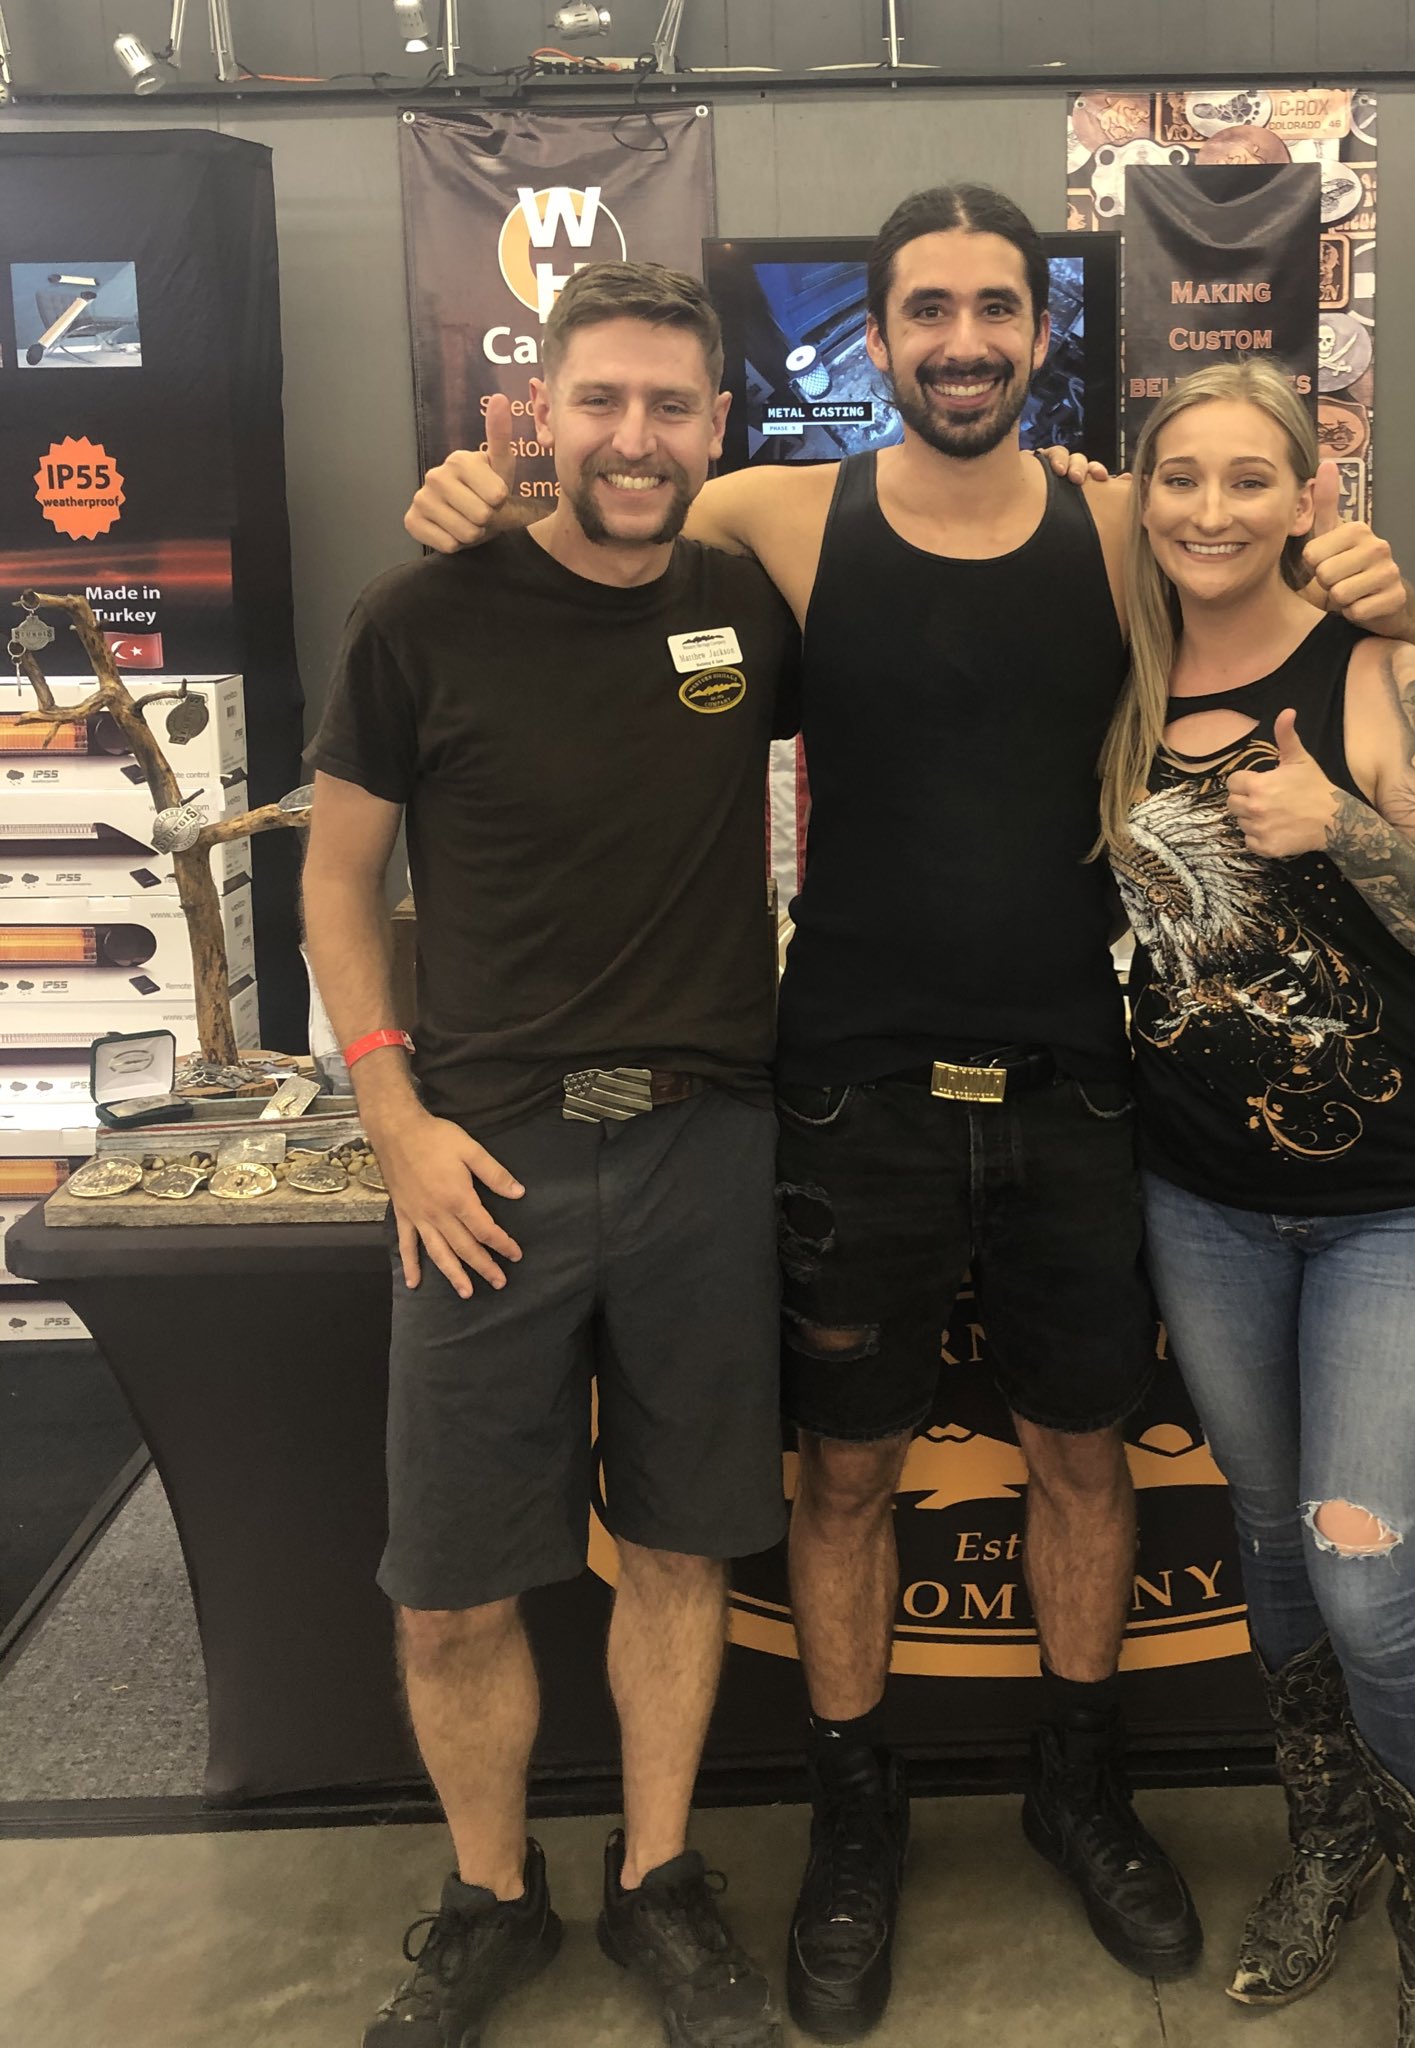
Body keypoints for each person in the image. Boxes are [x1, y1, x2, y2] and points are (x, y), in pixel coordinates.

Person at [404, 182, 1415, 2043]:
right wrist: (476, 495)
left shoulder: (1120, 526)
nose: (962, 341)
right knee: (848, 1476)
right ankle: (855, 1815)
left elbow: (1275, 600)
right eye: (925, 310)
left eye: (995, 307)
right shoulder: (774, 516)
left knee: (1083, 1461)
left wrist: (1371, 581)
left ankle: (1078, 1787)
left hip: (1078, 1080)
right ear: (874, 339)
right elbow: (594, 532)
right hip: (848, 1085)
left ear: (1043, 332)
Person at [304, 261, 798, 2048]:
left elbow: (940, 549)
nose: (634, 439)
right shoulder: (417, 614)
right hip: (479, 1164)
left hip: (702, 1149)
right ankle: (489, 1898)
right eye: (601, 401)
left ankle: (658, 1882)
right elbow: (336, 880)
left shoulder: (747, 609)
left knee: (679, 1553)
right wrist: (393, 1118)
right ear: (539, 414)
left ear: (716, 428)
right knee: (449, 1592)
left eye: (670, 406)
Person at [1095, 359, 1415, 2048]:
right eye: (1179, 476)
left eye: (1247, 477)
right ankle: (1331, 1843)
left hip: (1403, 1207)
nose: (1210, 508)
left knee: (1367, 1578)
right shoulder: (1121, 682)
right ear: (1142, 494)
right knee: (1274, 1547)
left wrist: (1341, 822)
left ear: (1309, 496)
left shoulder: (1379, 671)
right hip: (1203, 1201)